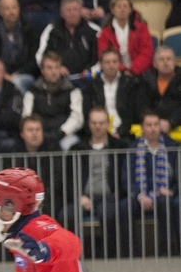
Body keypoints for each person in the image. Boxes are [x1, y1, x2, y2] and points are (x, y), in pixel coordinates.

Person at [72, 106, 128, 258]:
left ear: (108, 124)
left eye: (102, 122)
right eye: (94, 123)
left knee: (109, 214)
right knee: (67, 214)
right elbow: (70, 178)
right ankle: (73, 259)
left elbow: (125, 175)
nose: (98, 126)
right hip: (83, 197)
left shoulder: (119, 146)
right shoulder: (77, 148)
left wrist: (118, 193)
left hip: (109, 197)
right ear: (88, 124)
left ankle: (108, 258)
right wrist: (79, 196)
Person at [128, 111, 180, 256]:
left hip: (163, 193)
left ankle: (168, 251)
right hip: (140, 195)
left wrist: (172, 190)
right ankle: (131, 253)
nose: (153, 128)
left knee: (167, 203)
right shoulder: (133, 148)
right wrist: (139, 195)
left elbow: (177, 176)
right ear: (142, 127)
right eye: (149, 125)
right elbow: (126, 177)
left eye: (156, 124)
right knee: (124, 207)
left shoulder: (172, 146)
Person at [23, 51, 84, 151]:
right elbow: (26, 117)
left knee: (71, 145)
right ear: (42, 70)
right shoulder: (32, 91)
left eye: (57, 67)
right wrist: (38, 133)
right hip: (38, 135)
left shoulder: (72, 90)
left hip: (64, 135)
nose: (54, 71)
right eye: (49, 68)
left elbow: (77, 118)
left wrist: (62, 132)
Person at [35, 0, 100, 82]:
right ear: (62, 13)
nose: (72, 13)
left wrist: (90, 70)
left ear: (81, 11)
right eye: (68, 10)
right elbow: (41, 56)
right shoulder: (51, 30)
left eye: (75, 9)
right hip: (58, 80)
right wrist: (56, 68)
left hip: (87, 79)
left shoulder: (94, 31)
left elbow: (101, 58)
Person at [0, 0, 39, 95]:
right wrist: (3, 74)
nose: (11, 12)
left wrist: (16, 75)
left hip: (24, 73)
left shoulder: (29, 29)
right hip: (0, 74)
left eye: (14, 7)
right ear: (0, 12)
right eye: (7, 8)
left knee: (17, 83)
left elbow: (33, 60)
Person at [97, 0, 153, 78]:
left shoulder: (141, 27)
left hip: (140, 72)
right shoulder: (105, 32)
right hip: (115, 73)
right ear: (112, 10)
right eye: (119, 6)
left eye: (125, 6)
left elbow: (146, 53)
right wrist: (122, 70)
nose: (122, 9)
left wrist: (132, 70)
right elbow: (104, 55)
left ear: (130, 9)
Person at [86, 48, 134, 141]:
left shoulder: (129, 83)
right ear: (101, 65)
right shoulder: (92, 85)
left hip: (124, 132)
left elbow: (131, 113)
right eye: (107, 62)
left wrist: (120, 132)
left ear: (119, 64)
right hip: (98, 130)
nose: (111, 65)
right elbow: (88, 111)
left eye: (114, 61)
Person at [134, 46, 181, 140]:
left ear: (175, 62)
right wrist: (156, 123)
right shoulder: (146, 80)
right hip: (150, 127)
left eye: (169, 59)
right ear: (155, 64)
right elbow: (140, 106)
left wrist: (171, 122)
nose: (165, 62)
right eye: (161, 59)